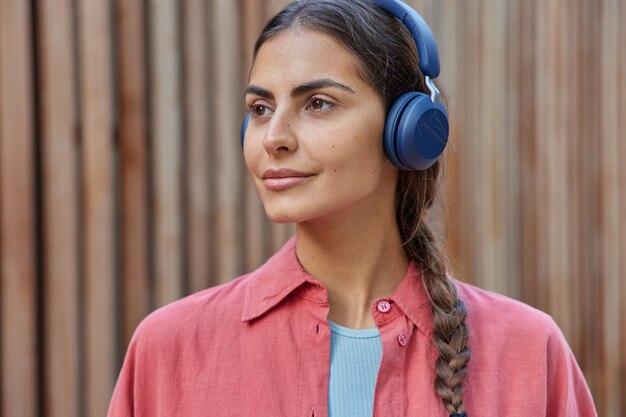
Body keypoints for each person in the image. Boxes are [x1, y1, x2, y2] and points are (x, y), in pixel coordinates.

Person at [107, 0, 597, 416]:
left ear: (407, 131)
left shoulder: (529, 350)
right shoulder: (169, 349)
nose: (273, 137)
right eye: (260, 109)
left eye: (317, 103)